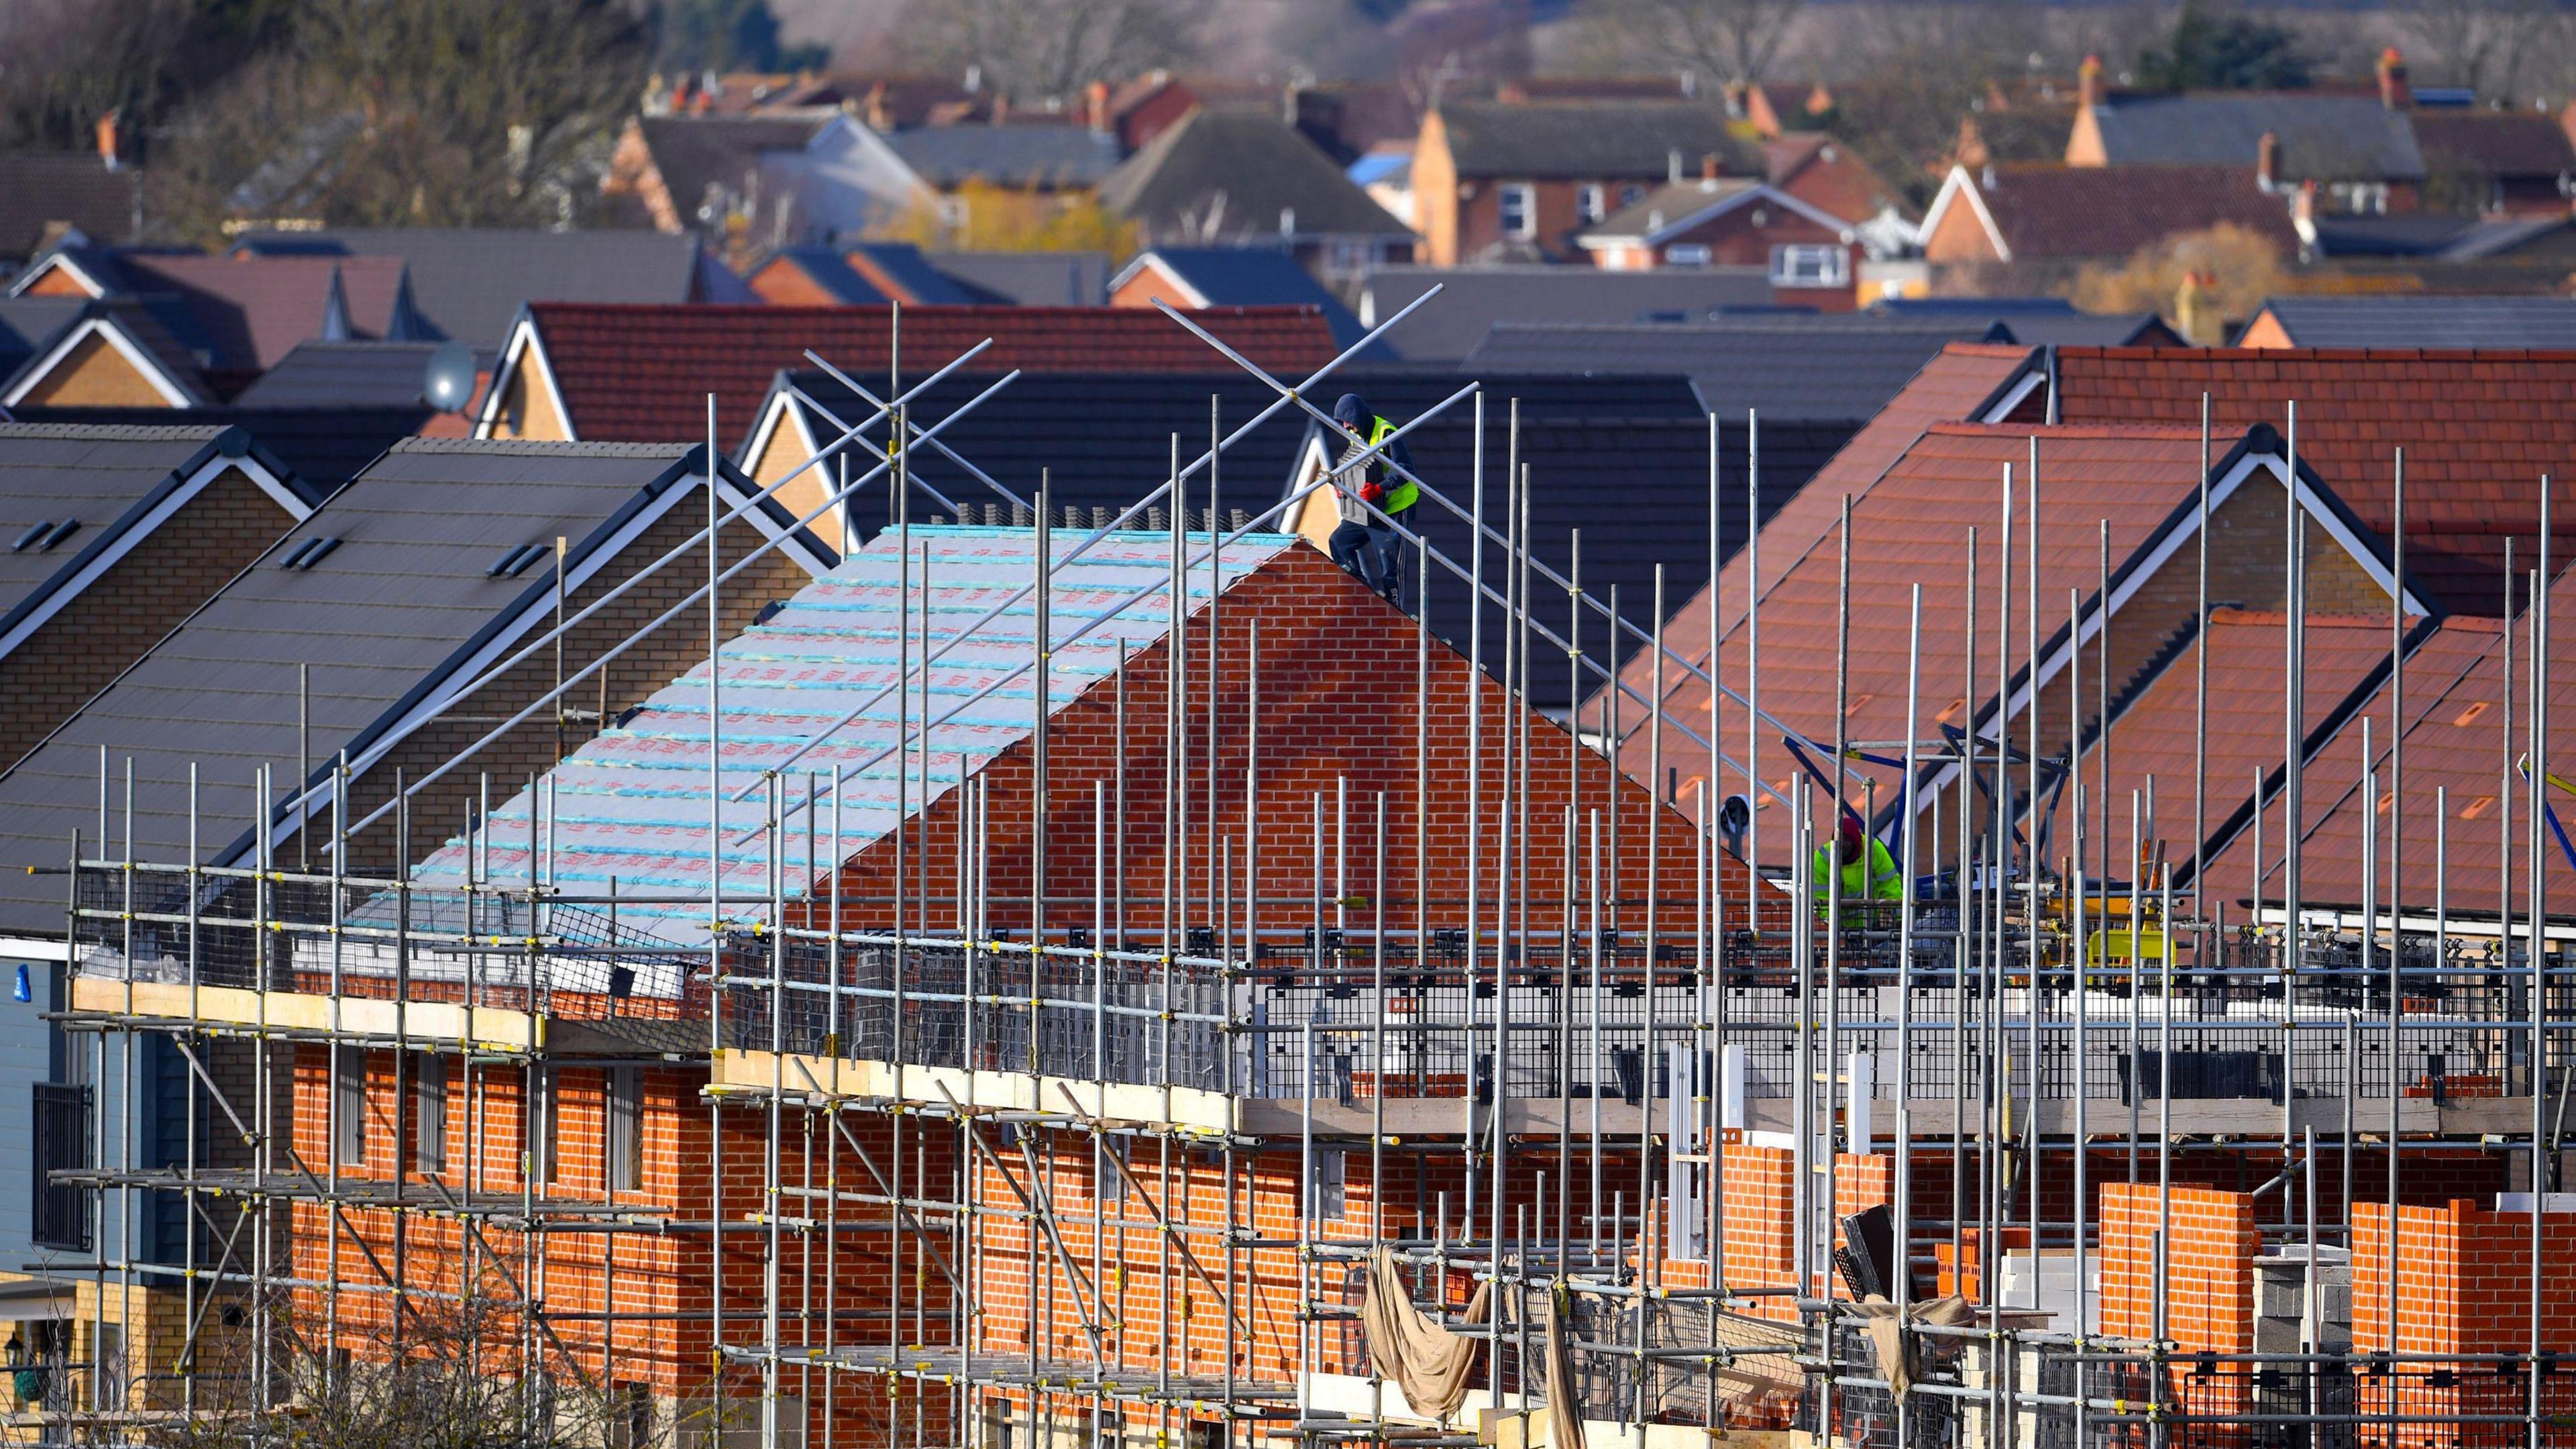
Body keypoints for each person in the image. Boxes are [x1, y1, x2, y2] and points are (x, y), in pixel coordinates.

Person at [1324, 392, 1417, 607]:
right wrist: (1343, 485)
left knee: (1389, 568)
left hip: (1394, 509)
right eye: (1343, 423)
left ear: (1359, 416)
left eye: (1349, 421)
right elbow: (1355, 466)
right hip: (1366, 510)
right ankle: (1362, 595)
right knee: (1339, 542)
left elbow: (1406, 470)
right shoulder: (1354, 434)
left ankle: (1395, 614)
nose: (1347, 427)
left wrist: (1380, 489)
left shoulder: (1386, 432)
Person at [1811, 814, 1901, 917]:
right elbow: (1821, 898)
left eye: (1846, 839)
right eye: (1838, 838)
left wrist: (1895, 917)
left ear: (1855, 841)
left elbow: (1890, 884)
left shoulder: (1873, 849)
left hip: (1870, 922)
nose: (1842, 844)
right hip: (1837, 925)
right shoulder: (1822, 858)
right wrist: (1828, 925)